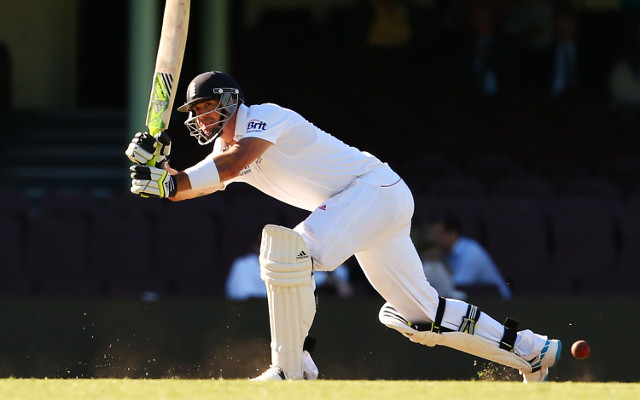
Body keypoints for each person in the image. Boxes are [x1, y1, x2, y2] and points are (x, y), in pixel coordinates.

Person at [125, 71, 560, 382]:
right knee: (421, 315)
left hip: (370, 190)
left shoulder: (264, 119)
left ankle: (291, 368)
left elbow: (229, 166)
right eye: (195, 113)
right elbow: (193, 186)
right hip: (372, 203)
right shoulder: (227, 150)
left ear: (231, 102)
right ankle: (531, 349)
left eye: (206, 108)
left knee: (288, 252)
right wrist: (162, 182)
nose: (200, 119)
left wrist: (169, 179)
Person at [432, 212, 513, 300]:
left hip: (502, 303)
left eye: (439, 233)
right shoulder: (444, 253)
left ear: (453, 233)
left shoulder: (472, 252)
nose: (435, 238)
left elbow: (456, 287)